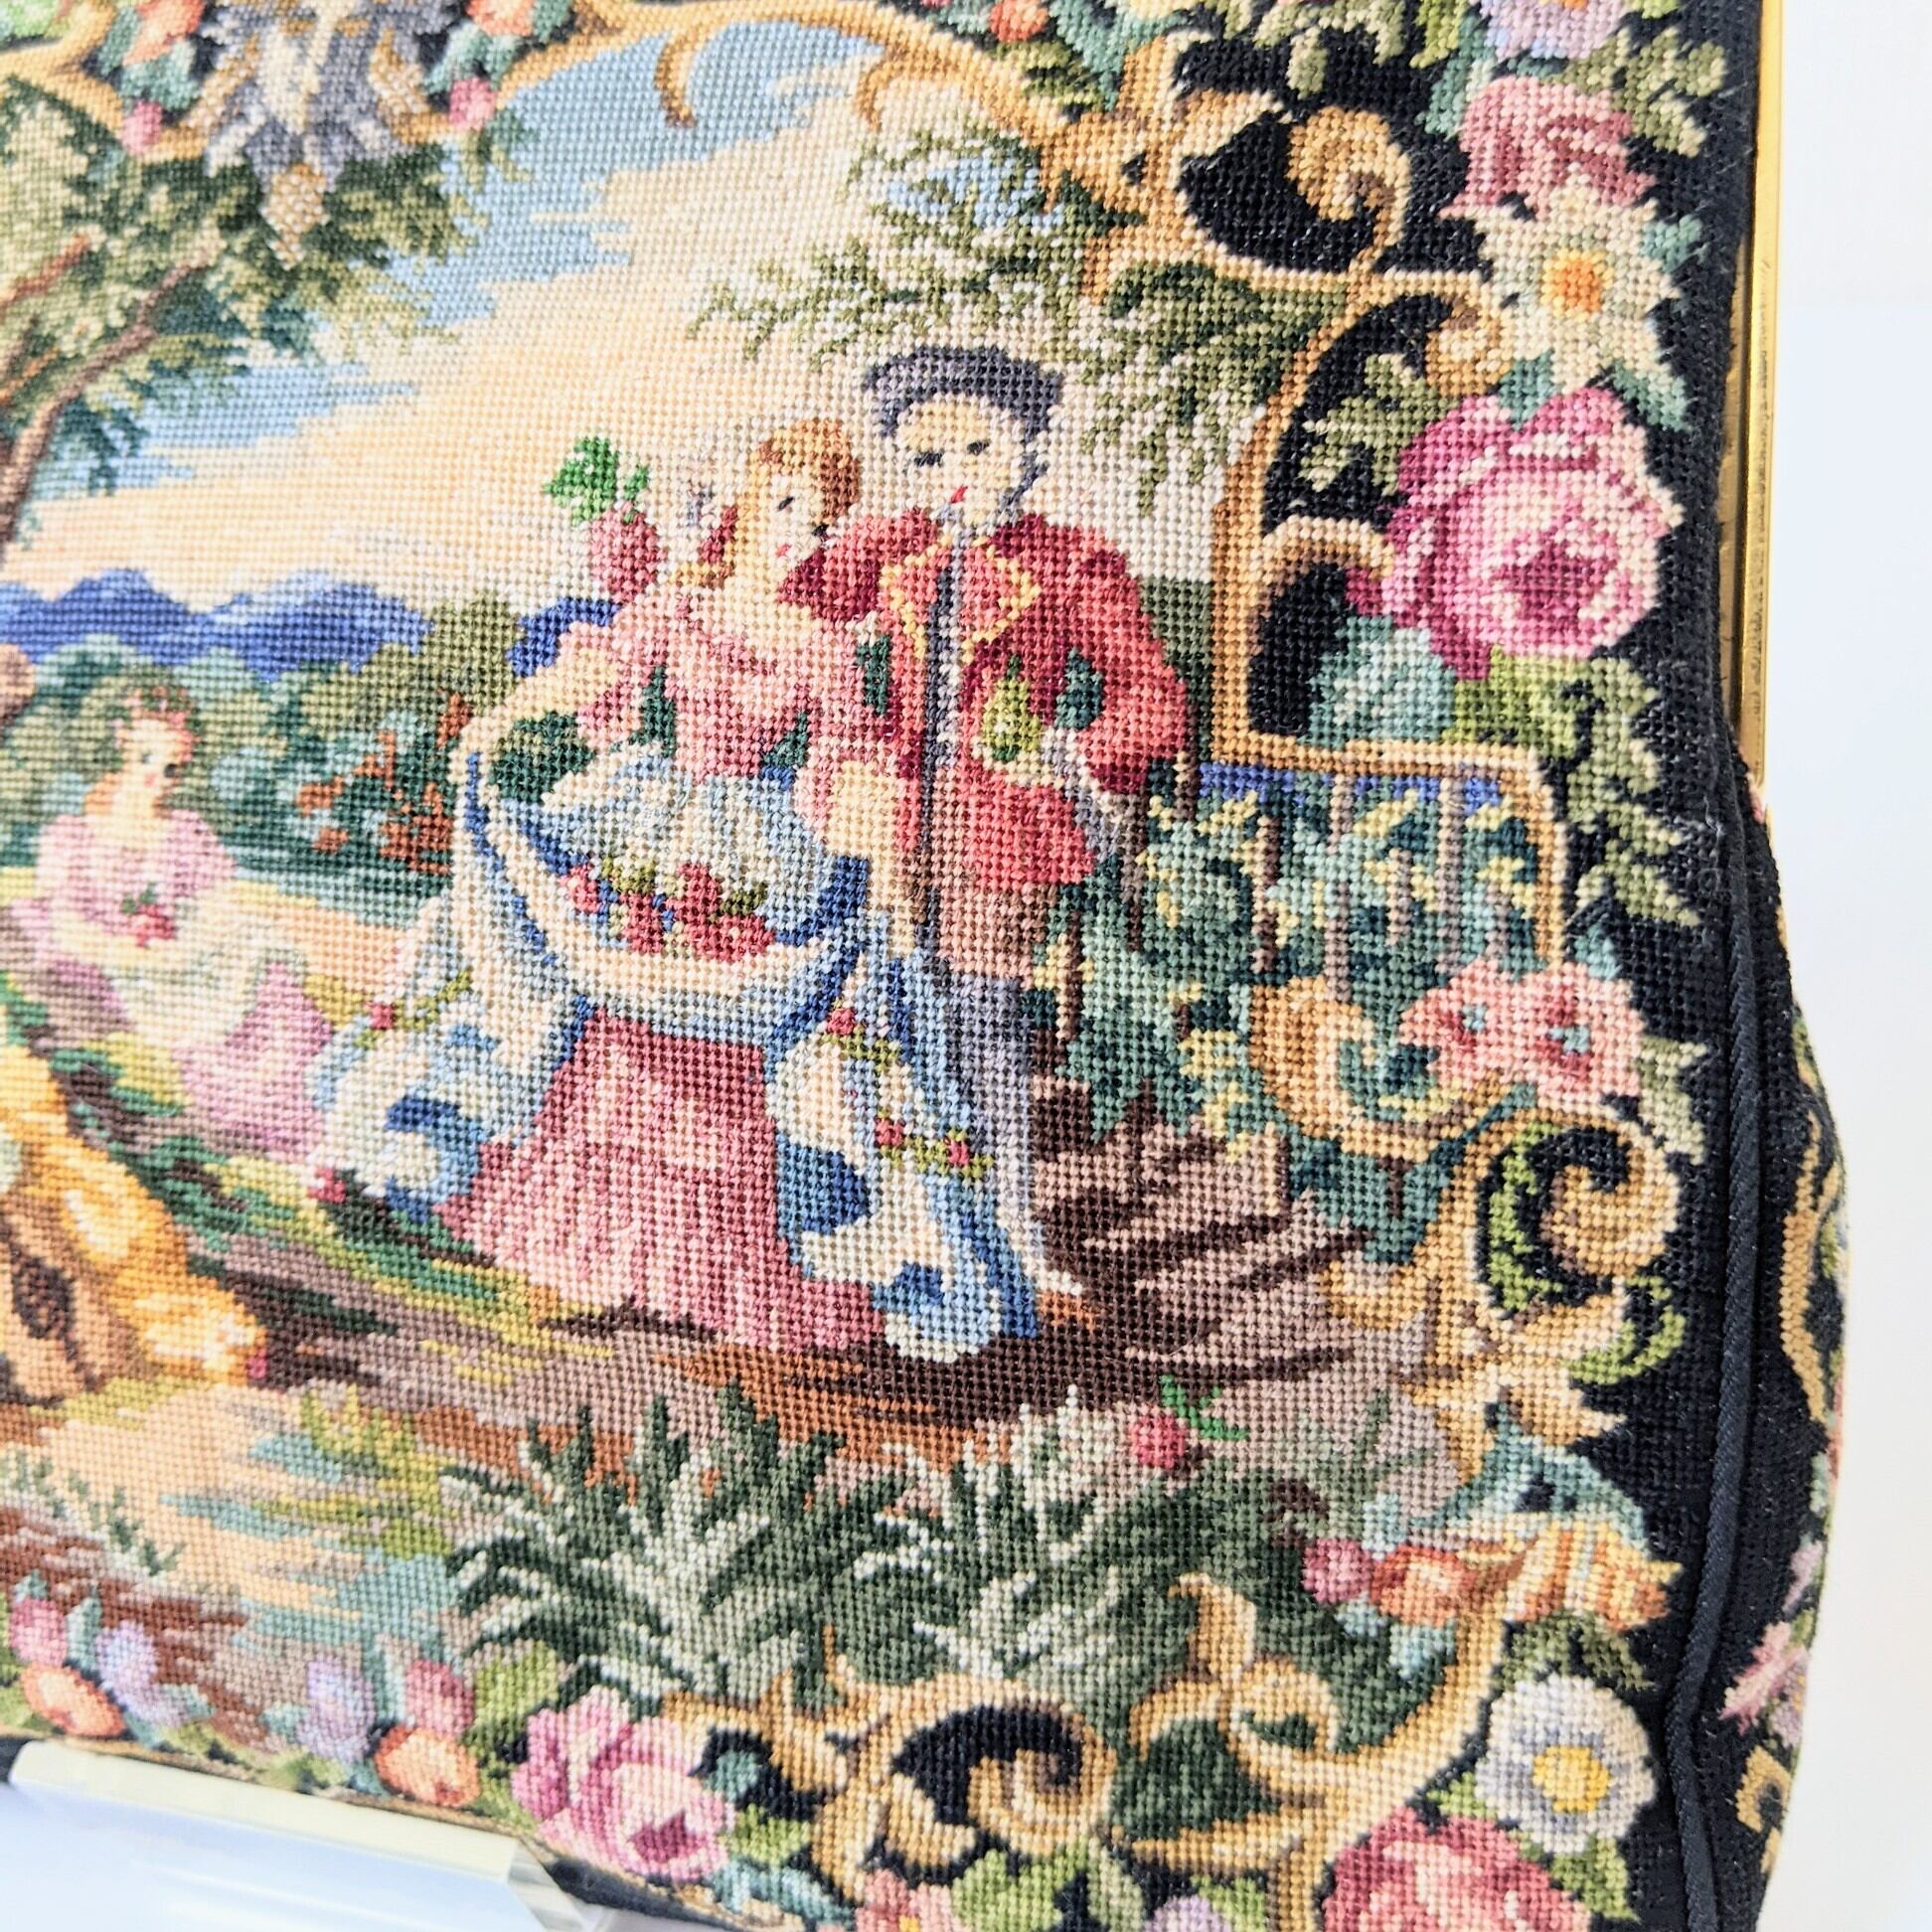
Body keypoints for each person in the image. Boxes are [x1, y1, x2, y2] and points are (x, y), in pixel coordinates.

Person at [805, 347, 1193, 1302]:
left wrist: (1066, 751)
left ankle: (1009, 1231)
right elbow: (802, 589)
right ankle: (922, 1220)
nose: (956, 474)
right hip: (898, 825)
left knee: (982, 1023)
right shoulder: (901, 550)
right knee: (900, 1020)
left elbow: (1157, 700)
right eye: (928, 458)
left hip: (1002, 831)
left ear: (1029, 452)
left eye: (979, 448)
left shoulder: (1066, 564)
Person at [16, 687, 331, 1161]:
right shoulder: (74, 837)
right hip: (130, 969)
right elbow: (69, 927)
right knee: (210, 1016)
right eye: (147, 758)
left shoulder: (183, 831)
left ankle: (319, 1108)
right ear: (120, 745)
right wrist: (132, 950)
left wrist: (183, 948)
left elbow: (215, 911)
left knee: (269, 980)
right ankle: (266, 1121)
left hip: (188, 954)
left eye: (171, 768)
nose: (157, 778)